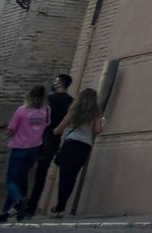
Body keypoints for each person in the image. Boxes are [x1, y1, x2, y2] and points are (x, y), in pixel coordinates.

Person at [20, 74, 71, 220]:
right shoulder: (71, 102)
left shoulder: (48, 99)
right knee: (41, 175)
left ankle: (21, 200)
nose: (53, 82)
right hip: (55, 139)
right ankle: (32, 207)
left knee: (24, 168)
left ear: (60, 83)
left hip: (39, 136)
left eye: (55, 80)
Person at [0, 86, 48, 222]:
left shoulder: (22, 110)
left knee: (11, 181)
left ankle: (19, 201)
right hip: (34, 149)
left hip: (19, 148)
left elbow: (11, 129)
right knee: (21, 180)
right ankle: (8, 213)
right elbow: (46, 125)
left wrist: (8, 135)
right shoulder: (46, 110)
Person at [49, 88, 101, 217]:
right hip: (84, 147)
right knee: (72, 177)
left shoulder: (73, 111)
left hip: (70, 145)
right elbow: (98, 130)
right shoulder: (96, 113)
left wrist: (53, 131)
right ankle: (61, 207)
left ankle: (59, 208)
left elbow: (59, 129)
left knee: (64, 177)